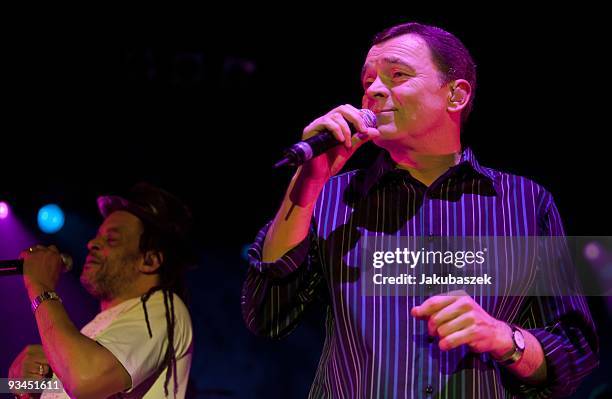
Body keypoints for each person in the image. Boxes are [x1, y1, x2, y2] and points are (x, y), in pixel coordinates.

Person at [241, 22, 599, 398]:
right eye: (367, 82)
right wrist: (306, 186)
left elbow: (575, 349)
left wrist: (503, 338)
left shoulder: (526, 203)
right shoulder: (332, 197)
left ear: (456, 95)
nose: (374, 91)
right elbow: (265, 316)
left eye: (397, 75)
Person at [9, 183, 194, 398]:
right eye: (97, 236)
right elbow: (67, 385)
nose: (91, 244)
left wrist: (40, 286)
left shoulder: (163, 308)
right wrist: (19, 386)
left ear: (150, 260)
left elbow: (84, 380)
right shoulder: (93, 334)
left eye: (111, 239)